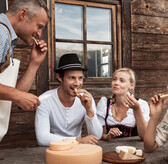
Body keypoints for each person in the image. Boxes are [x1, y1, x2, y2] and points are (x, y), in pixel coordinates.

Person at [0, 0, 49, 141]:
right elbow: (16, 94)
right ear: (22, 14)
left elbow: (15, 90)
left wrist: (35, 63)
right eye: (39, 26)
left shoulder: (7, 35)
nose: (39, 34)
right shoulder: (1, 32)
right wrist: (17, 96)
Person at [97, 68, 150, 164]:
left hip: (133, 157)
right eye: (114, 79)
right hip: (111, 156)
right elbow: (96, 134)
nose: (116, 83)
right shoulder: (104, 104)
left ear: (131, 85)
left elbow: (144, 136)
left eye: (121, 80)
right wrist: (107, 135)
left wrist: (137, 110)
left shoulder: (141, 104)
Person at [35, 53, 103, 146]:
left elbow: (96, 136)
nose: (77, 83)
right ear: (59, 77)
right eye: (72, 78)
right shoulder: (44, 100)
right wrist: (77, 140)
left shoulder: (86, 98)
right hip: (54, 149)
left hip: (77, 151)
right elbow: (42, 138)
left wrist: (89, 110)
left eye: (80, 78)